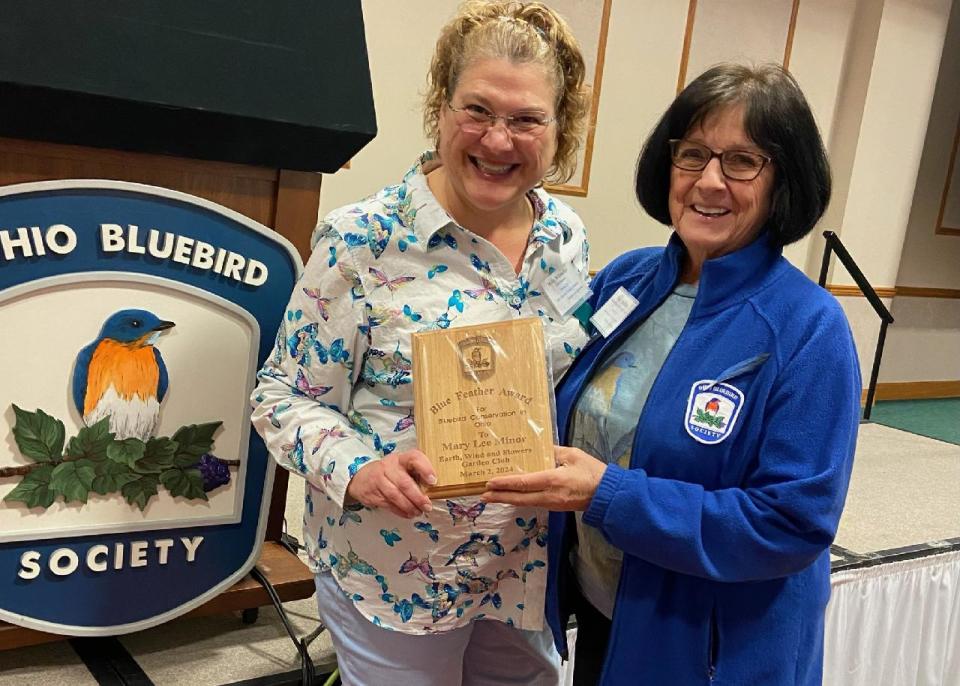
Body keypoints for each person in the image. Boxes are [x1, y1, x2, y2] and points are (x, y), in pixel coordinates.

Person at [484, 63, 862, 685]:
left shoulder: (808, 327)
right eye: (693, 155)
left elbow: (792, 524)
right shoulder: (627, 280)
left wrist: (608, 495)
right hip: (610, 614)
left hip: (714, 649)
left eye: (742, 161)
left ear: (782, 181)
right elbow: (549, 383)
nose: (709, 182)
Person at [250, 2, 591, 684]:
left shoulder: (566, 239)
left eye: (526, 119)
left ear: (560, 131)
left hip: (522, 570)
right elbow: (280, 398)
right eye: (478, 110)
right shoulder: (364, 239)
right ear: (440, 108)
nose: (498, 141)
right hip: (398, 580)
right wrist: (358, 469)